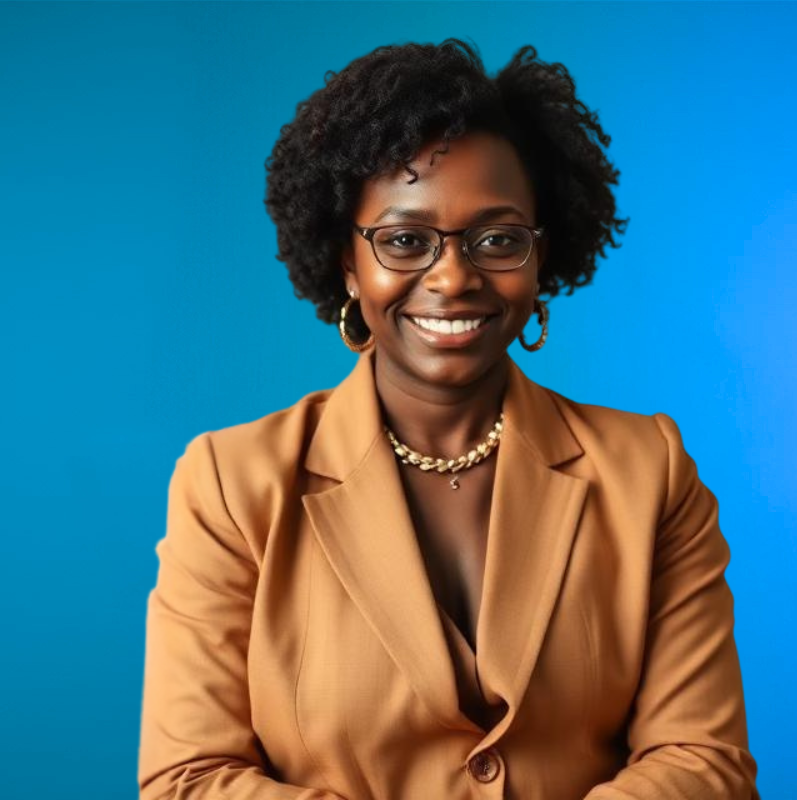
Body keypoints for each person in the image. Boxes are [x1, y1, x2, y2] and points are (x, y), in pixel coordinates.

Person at [138, 39, 760, 800]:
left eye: (497, 239)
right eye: (405, 241)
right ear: (346, 261)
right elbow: (188, 780)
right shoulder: (232, 484)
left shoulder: (648, 471)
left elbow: (703, 763)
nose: (454, 277)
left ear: (541, 256)